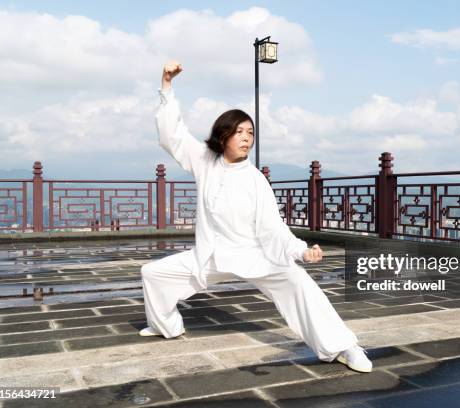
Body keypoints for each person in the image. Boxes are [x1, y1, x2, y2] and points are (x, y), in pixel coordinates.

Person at [139, 60, 372, 373]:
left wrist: (300, 251)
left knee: (299, 283)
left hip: (256, 255)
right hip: (211, 255)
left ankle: (345, 347)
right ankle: (165, 326)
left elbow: (273, 229)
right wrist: (167, 86)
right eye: (239, 132)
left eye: (250, 132)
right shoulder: (206, 161)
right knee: (154, 274)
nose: (246, 137)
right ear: (223, 136)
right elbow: (173, 136)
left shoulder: (255, 179)